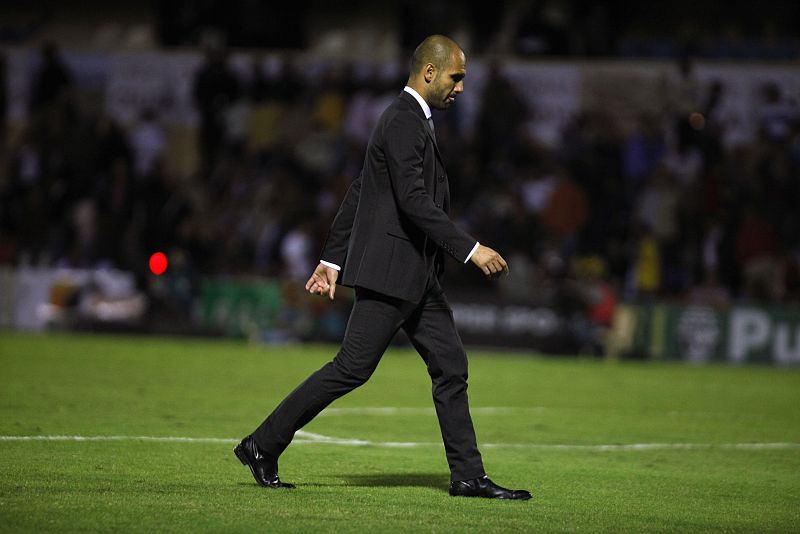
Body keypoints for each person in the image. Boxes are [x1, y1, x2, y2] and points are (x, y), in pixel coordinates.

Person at [234, 35, 532, 500]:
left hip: (416, 273)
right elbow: (412, 200)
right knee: (351, 368)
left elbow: (362, 190)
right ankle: (262, 444)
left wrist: (331, 257)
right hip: (392, 272)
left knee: (451, 365)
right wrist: (470, 249)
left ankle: (468, 476)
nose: (461, 87)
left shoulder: (410, 119)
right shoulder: (403, 120)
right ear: (430, 72)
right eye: (456, 77)